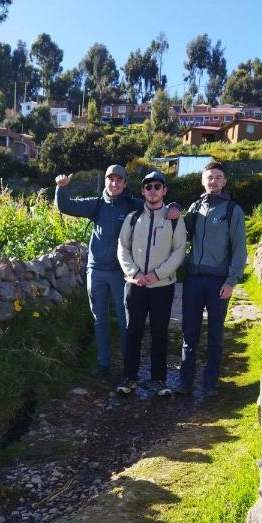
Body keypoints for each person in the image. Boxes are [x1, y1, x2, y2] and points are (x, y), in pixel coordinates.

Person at [55, 166, 179, 378]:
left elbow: (158, 205)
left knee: (126, 322)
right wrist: (62, 188)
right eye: (110, 180)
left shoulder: (134, 205)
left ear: (124, 183)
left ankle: (127, 367)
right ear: (105, 182)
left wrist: (175, 205)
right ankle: (103, 363)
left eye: (118, 180)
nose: (114, 184)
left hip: (122, 274)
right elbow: (65, 206)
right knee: (100, 319)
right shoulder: (96, 204)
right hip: (96, 271)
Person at [176, 161, 247, 397]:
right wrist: (173, 209)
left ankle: (210, 383)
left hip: (218, 283)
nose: (213, 181)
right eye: (209, 177)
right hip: (194, 280)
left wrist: (231, 281)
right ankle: (185, 380)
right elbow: (178, 232)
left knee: (215, 335)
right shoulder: (195, 208)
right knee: (189, 332)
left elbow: (239, 251)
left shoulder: (232, 211)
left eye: (218, 177)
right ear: (202, 180)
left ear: (225, 181)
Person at [116, 170, 187, 396]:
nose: (153, 190)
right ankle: (129, 378)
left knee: (159, 333)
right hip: (135, 285)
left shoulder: (175, 220)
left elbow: (179, 252)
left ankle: (158, 379)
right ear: (142, 191)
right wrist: (134, 273)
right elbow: (122, 248)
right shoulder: (133, 218)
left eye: (158, 186)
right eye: (148, 187)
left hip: (162, 286)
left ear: (164, 190)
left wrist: (158, 274)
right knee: (132, 331)